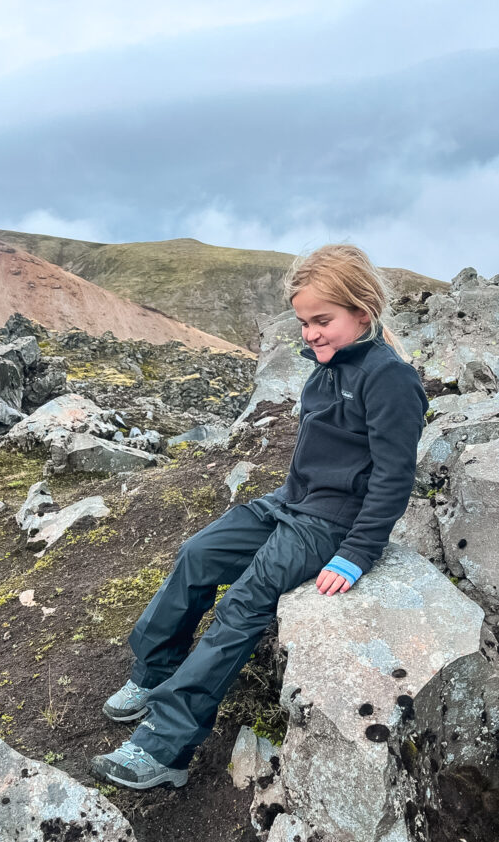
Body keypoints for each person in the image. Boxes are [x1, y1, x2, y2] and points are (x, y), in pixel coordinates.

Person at [90, 243, 429, 790]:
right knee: (197, 554)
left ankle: (166, 748)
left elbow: (394, 477)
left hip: (331, 524)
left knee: (244, 603)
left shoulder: (388, 377)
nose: (311, 333)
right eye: (303, 322)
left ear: (362, 312)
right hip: (290, 503)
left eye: (324, 320)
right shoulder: (324, 368)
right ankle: (153, 673)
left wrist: (357, 553)